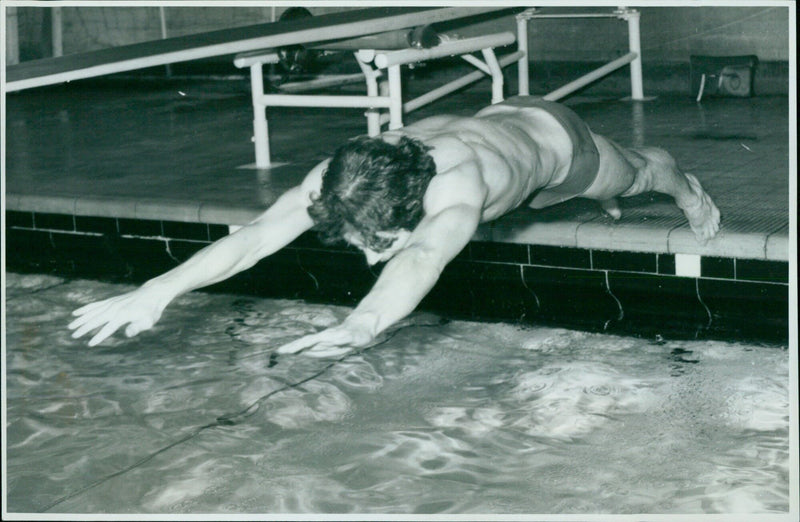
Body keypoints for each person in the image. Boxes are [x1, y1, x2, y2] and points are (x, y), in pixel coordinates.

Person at [69, 97, 720, 356]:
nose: (373, 257)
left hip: (556, 146)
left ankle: (685, 185)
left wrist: (363, 322)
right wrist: (157, 289)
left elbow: (421, 261)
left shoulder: (461, 191)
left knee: (636, 177)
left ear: (422, 208)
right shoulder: (340, 173)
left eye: (377, 241)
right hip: (490, 126)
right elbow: (258, 235)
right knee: (557, 201)